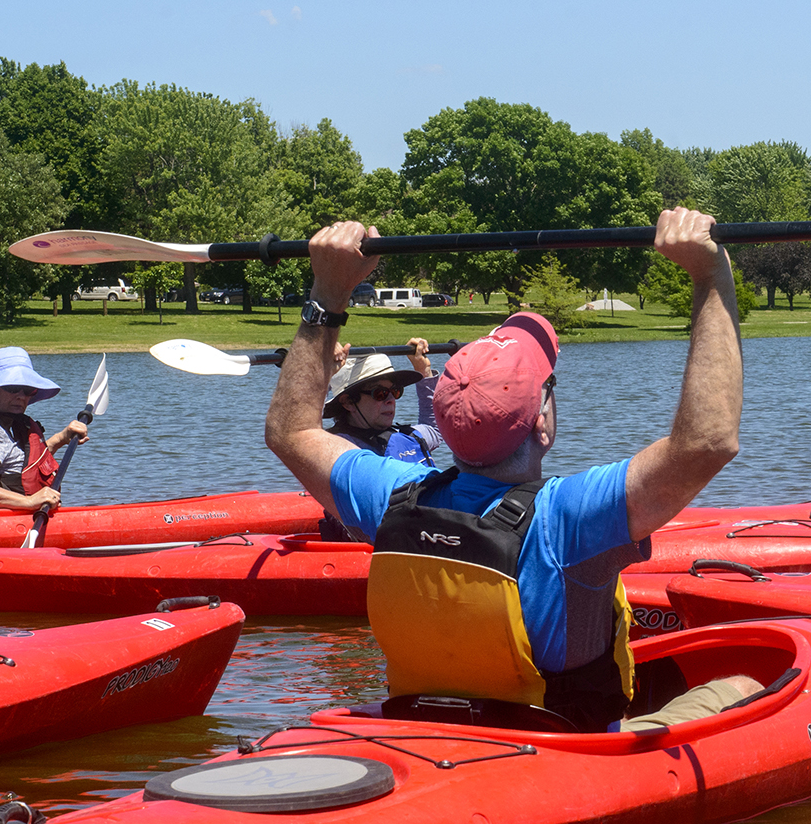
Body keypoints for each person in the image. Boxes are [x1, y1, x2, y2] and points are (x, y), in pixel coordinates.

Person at [265, 210, 744, 731]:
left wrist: (328, 291)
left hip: (432, 734)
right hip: (563, 753)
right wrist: (710, 275)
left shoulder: (392, 497)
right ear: (541, 420)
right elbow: (707, 441)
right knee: (745, 683)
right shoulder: (570, 517)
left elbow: (291, 432)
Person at [0, 347, 89, 513]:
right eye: (12, 388)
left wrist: (60, 439)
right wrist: (28, 502)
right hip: (0, 529)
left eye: (28, 390)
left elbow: (19, 465)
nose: (21, 396)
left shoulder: (5, 425)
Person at [323, 337, 446, 469]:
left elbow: (435, 429)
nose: (391, 400)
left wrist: (423, 370)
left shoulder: (407, 436)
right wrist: (324, 373)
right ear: (348, 402)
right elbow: (303, 438)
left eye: (395, 391)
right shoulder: (335, 448)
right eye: (380, 393)